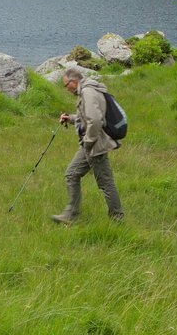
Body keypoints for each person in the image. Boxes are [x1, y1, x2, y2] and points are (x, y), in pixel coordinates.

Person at [52, 67, 123, 224]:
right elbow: (88, 116)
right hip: (92, 143)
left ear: (73, 81)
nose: (66, 89)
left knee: (105, 182)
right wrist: (70, 119)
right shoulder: (89, 90)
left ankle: (117, 219)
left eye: (66, 85)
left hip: (95, 144)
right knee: (72, 174)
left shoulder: (87, 92)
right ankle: (71, 214)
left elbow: (95, 120)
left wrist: (88, 142)